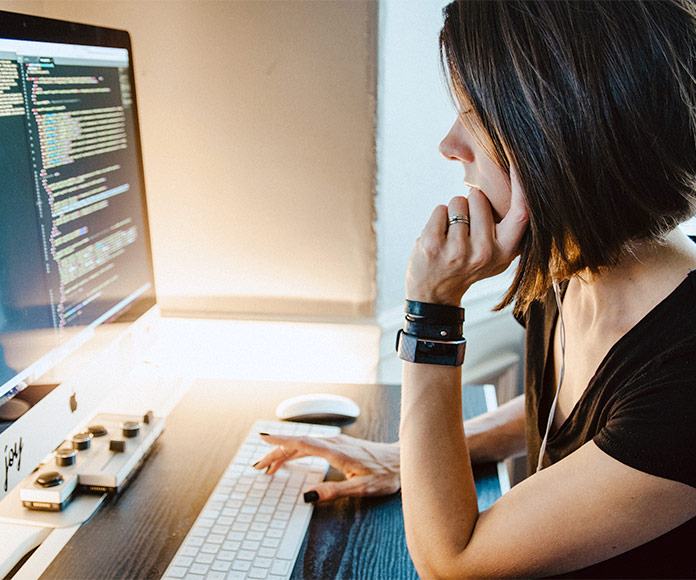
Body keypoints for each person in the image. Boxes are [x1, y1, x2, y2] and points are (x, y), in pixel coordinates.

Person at [254, 1, 696, 577]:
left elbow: (451, 561)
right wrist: (405, 460)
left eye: (474, 114)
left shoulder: (685, 369)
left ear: (561, 132)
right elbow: (587, 416)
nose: (450, 143)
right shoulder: (570, 271)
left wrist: (432, 311)